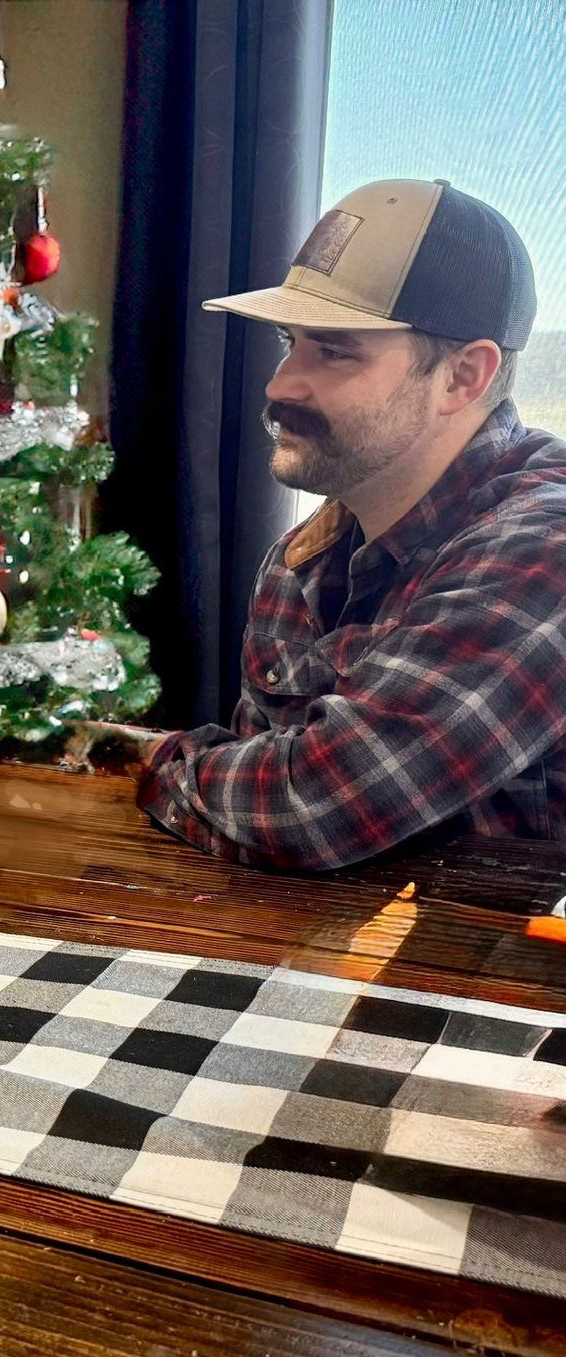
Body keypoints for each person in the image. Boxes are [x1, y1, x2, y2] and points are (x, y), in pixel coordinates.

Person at [110, 178, 566, 871]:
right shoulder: (302, 561)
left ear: (463, 376)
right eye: (290, 343)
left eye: (335, 350)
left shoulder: (545, 545)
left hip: (507, 972)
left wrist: (136, 758)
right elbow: (252, 810)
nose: (280, 384)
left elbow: (309, 808)